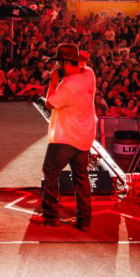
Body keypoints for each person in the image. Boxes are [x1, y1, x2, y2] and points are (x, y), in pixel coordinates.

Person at [32, 43, 97, 231]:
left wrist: (53, 82)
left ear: (67, 62)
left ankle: (51, 216)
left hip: (66, 137)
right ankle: (84, 221)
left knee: (50, 171)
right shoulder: (89, 75)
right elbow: (83, 67)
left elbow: (50, 104)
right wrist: (79, 61)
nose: (57, 67)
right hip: (84, 136)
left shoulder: (67, 86)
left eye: (59, 63)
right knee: (81, 177)